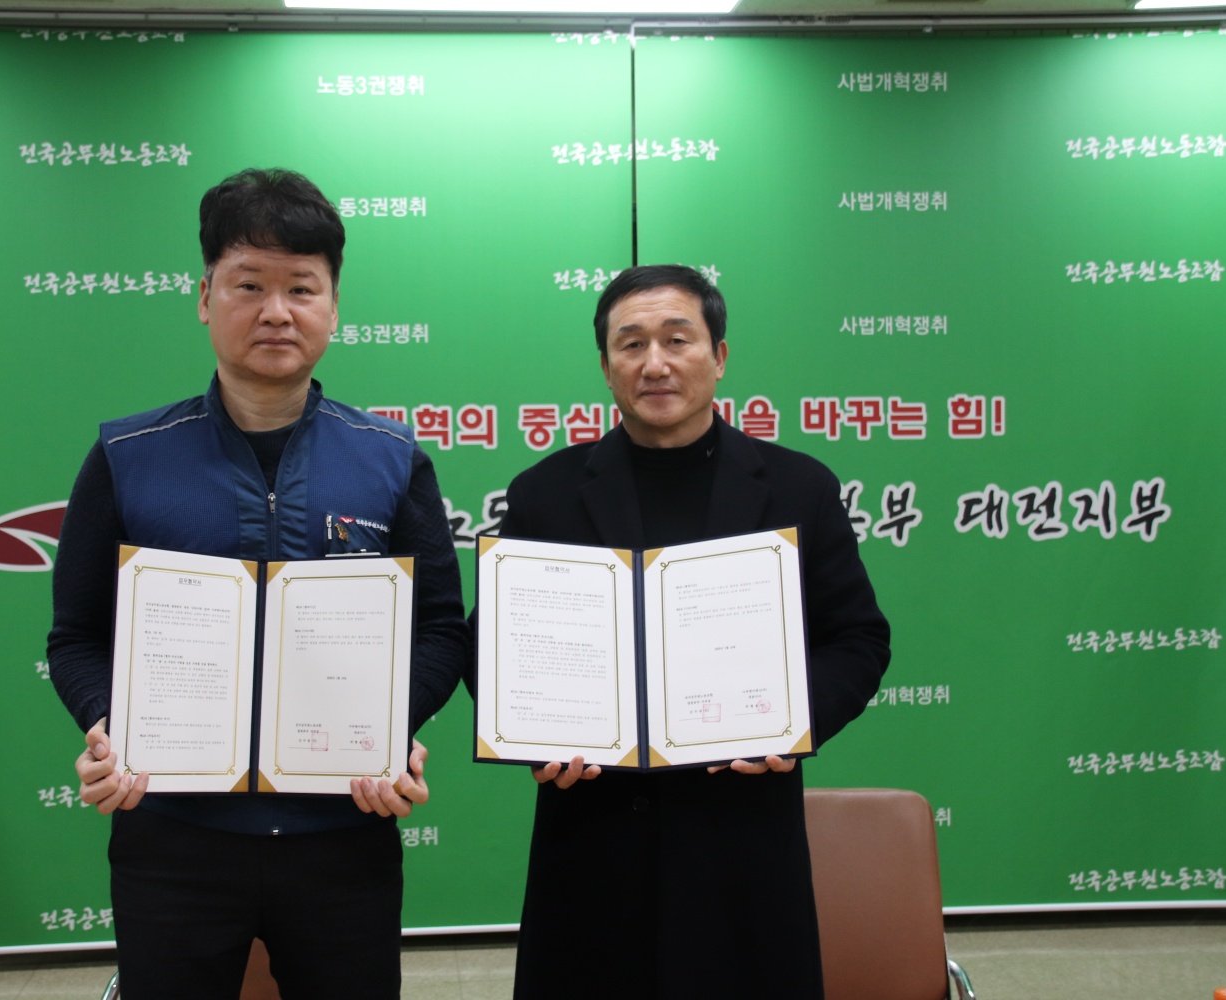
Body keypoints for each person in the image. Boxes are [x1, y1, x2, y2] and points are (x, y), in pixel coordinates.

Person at [46, 167, 470, 999]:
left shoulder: (391, 460)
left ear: (334, 307)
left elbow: (440, 630)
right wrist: (106, 726)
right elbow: (77, 635)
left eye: (301, 288)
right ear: (204, 297)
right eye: (249, 285)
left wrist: (391, 727)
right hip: (173, 836)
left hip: (342, 830)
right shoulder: (128, 457)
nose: (277, 311)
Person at [496, 264, 891, 998]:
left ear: (720, 355)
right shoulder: (545, 494)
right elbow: (495, 645)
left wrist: (791, 723)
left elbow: (857, 639)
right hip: (593, 834)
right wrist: (534, 736)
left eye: (678, 339)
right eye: (631, 344)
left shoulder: (799, 488)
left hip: (739, 833)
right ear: (606, 366)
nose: (655, 363)